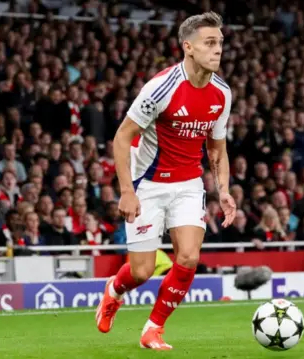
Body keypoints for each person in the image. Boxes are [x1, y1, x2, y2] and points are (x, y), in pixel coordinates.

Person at [94, 12, 236, 350]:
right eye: (210, 43)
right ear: (188, 47)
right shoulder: (160, 87)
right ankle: (113, 292)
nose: (218, 50)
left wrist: (224, 190)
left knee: (188, 258)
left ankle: (153, 329)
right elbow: (121, 137)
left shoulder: (222, 93)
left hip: (189, 185)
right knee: (141, 272)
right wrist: (126, 192)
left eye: (220, 43)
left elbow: (217, 148)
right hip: (149, 184)